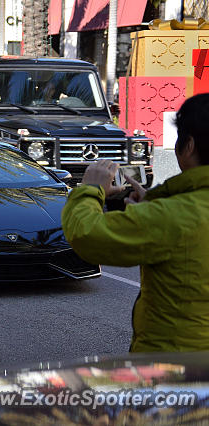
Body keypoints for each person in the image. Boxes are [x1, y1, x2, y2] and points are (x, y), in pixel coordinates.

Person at [61, 93, 209, 352]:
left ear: (189, 146)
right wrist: (157, 203)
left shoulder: (171, 216)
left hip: (179, 371)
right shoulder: (170, 212)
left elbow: (88, 235)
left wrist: (89, 190)